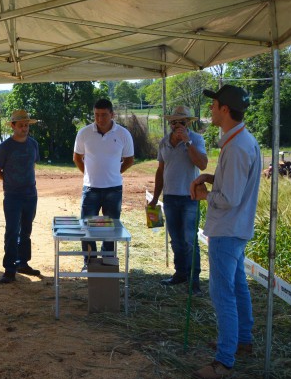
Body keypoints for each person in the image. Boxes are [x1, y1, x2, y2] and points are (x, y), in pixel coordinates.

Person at [190, 85, 260, 379]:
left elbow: (229, 197)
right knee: (237, 286)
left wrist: (205, 195)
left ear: (225, 110)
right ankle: (242, 340)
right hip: (236, 228)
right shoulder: (242, 141)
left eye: (215, 104)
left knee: (222, 294)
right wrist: (212, 177)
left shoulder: (237, 147)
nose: (211, 109)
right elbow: (233, 184)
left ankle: (224, 360)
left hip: (227, 229)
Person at [149, 105, 208, 294]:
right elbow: (160, 171)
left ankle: (194, 281)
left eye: (181, 122)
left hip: (190, 198)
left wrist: (187, 142)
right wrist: (155, 198)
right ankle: (180, 273)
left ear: (187, 123)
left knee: (190, 241)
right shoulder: (164, 142)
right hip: (170, 198)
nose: (177, 125)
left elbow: (203, 164)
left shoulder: (196, 139)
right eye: (173, 122)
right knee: (175, 240)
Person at [72, 98, 134, 270]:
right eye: (96, 115)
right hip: (90, 189)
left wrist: (115, 173)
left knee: (111, 228)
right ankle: (89, 263)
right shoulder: (84, 133)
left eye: (104, 115)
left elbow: (129, 159)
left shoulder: (123, 134)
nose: (100, 119)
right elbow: (77, 157)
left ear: (112, 114)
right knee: (87, 227)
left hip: (113, 190)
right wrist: (87, 174)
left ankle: (108, 262)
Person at [0, 110, 43, 284]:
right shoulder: (4, 147)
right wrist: (11, 181)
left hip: (31, 195)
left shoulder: (33, 144)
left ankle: (23, 263)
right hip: (12, 196)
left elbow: (32, 165)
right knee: (12, 232)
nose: (24, 128)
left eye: (26, 125)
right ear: (13, 126)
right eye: (21, 125)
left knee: (26, 231)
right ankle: (9, 269)